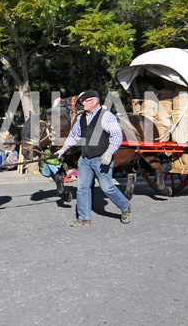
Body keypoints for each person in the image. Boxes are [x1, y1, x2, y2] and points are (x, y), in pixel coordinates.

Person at [55, 90, 131, 227]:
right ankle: (84, 219)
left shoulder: (106, 116)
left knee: (107, 187)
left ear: (94, 101)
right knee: (82, 187)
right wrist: (63, 149)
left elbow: (116, 136)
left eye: (86, 101)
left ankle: (125, 207)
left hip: (101, 157)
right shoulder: (82, 117)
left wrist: (109, 152)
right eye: (82, 101)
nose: (83, 103)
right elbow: (74, 135)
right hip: (85, 158)